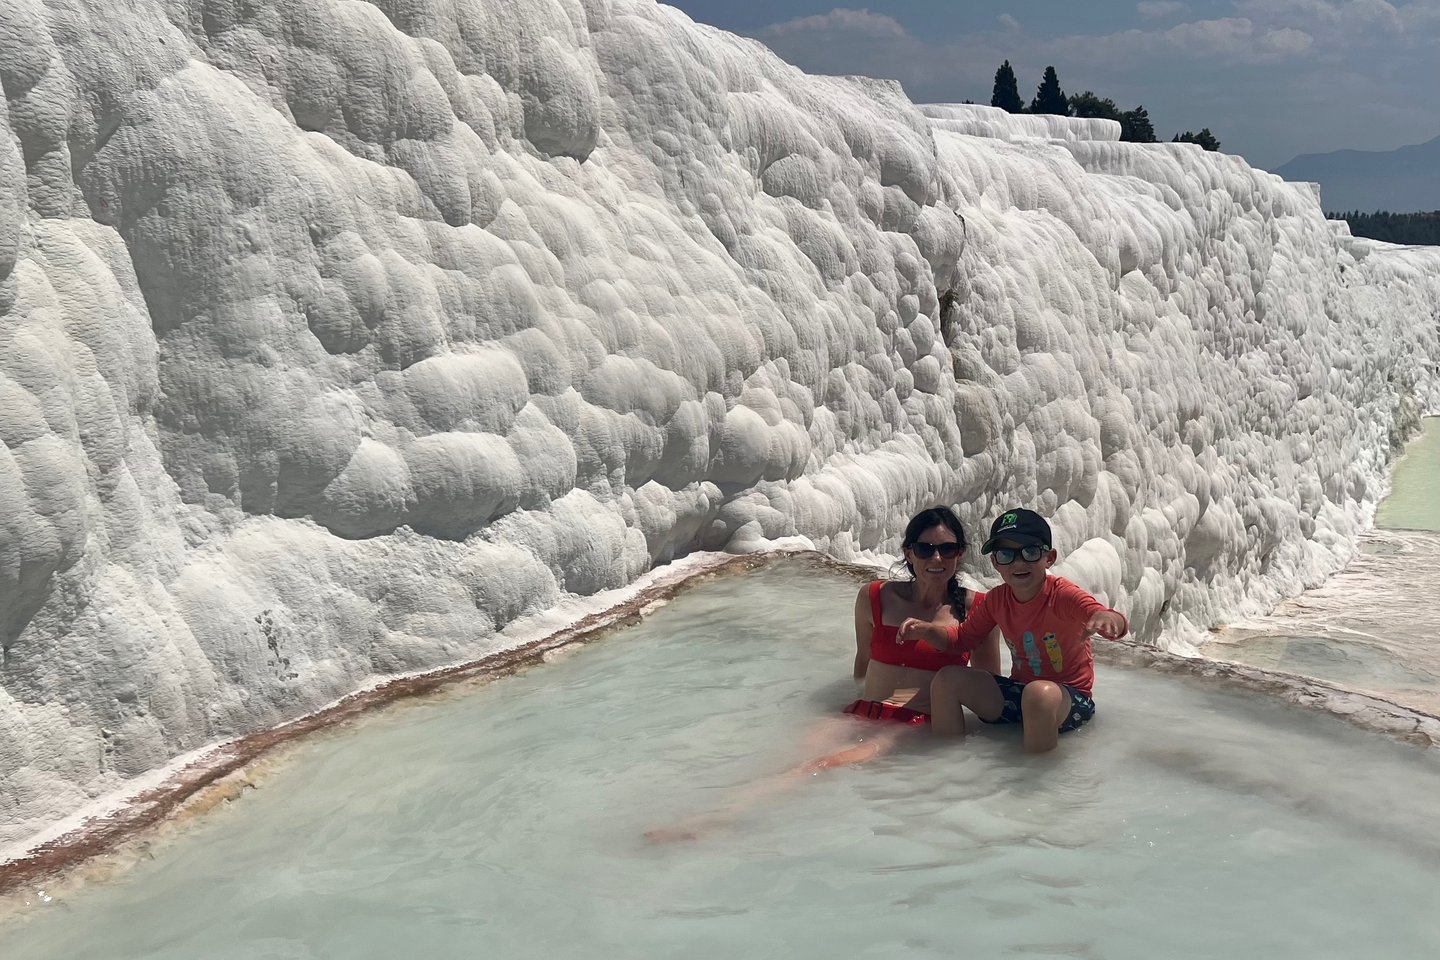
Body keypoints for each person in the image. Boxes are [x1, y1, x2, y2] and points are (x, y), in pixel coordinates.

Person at [902, 507, 1127, 754]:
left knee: (1039, 694)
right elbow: (963, 639)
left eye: (1030, 552)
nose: (1018, 562)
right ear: (995, 562)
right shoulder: (997, 600)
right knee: (947, 679)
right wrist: (928, 631)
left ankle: (1035, 785)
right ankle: (947, 765)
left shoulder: (1062, 594)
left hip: (1069, 701)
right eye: (1006, 554)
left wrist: (1106, 619)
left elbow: (1101, 613)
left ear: (1049, 558)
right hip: (1021, 695)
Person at [806, 505, 1002, 770]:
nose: (936, 558)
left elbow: (986, 688)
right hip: (861, 712)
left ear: (960, 554)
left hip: (917, 726)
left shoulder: (979, 609)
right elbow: (862, 661)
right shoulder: (873, 596)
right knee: (792, 759)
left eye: (947, 549)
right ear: (908, 553)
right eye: (925, 549)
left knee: (824, 765)